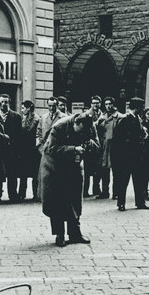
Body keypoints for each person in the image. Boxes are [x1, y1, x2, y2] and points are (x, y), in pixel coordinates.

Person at [40, 113, 99, 247]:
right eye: (81, 130)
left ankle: (75, 233)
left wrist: (89, 144)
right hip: (55, 167)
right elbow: (50, 148)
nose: (83, 134)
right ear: (75, 123)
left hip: (75, 166)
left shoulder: (90, 126)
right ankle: (59, 234)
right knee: (57, 201)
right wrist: (73, 149)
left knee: (74, 199)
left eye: (86, 132)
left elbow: (97, 145)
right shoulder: (59, 127)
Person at [111, 97, 149, 211]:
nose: (143, 109)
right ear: (137, 107)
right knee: (123, 181)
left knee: (139, 180)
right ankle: (121, 203)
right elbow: (118, 140)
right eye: (141, 106)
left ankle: (140, 202)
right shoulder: (125, 119)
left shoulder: (137, 118)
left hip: (137, 156)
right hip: (127, 156)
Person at [95, 96, 122, 199]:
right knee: (104, 170)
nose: (108, 106)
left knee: (116, 171)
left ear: (113, 104)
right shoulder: (102, 117)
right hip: (104, 146)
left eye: (110, 104)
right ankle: (105, 191)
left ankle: (116, 192)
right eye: (106, 104)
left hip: (115, 146)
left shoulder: (119, 116)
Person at [0, 94, 23, 202]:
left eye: (6, 102)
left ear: (9, 102)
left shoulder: (16, 116)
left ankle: (13, 195)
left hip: (12, 150)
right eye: (2, 102)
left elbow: (19, 135)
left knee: (12, 174)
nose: (4, 104)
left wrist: (17, 149)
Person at [18, 100, 41, 201]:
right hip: (24, 150)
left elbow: (30, 132)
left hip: (32, 150)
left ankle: (35, 194)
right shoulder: (23, 118)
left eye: (23, 108)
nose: (22, 110)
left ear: (28, 108)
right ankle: (22, 194)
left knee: (34, 174)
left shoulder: (36, 119)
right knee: (24, 174)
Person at [83, 95, 102, 197]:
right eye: (94, 103)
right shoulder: (86, 114)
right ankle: (85, 190)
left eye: (97, 103)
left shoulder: (102, 114)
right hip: (89, 145)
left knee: (97, 169)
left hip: (99, 144)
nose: (95, 105)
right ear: (91, 104)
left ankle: (96, 188)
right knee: (86, 169)